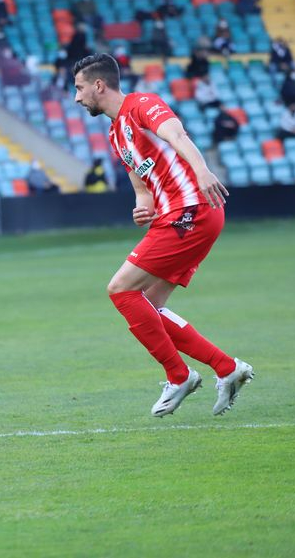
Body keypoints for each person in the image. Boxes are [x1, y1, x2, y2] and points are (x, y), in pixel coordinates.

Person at [72, 52, 253, 418]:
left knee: (120, 289)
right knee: (149, 308)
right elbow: (142, 188)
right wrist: (142, 208)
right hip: (179, 215)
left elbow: (176, 134)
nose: (77, 98)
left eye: (79, 88)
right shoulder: (116, 133)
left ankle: (179, 375)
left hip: (191, 210)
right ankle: (227, 368)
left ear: (99, 85)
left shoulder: (142, 105)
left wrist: (201, 170)